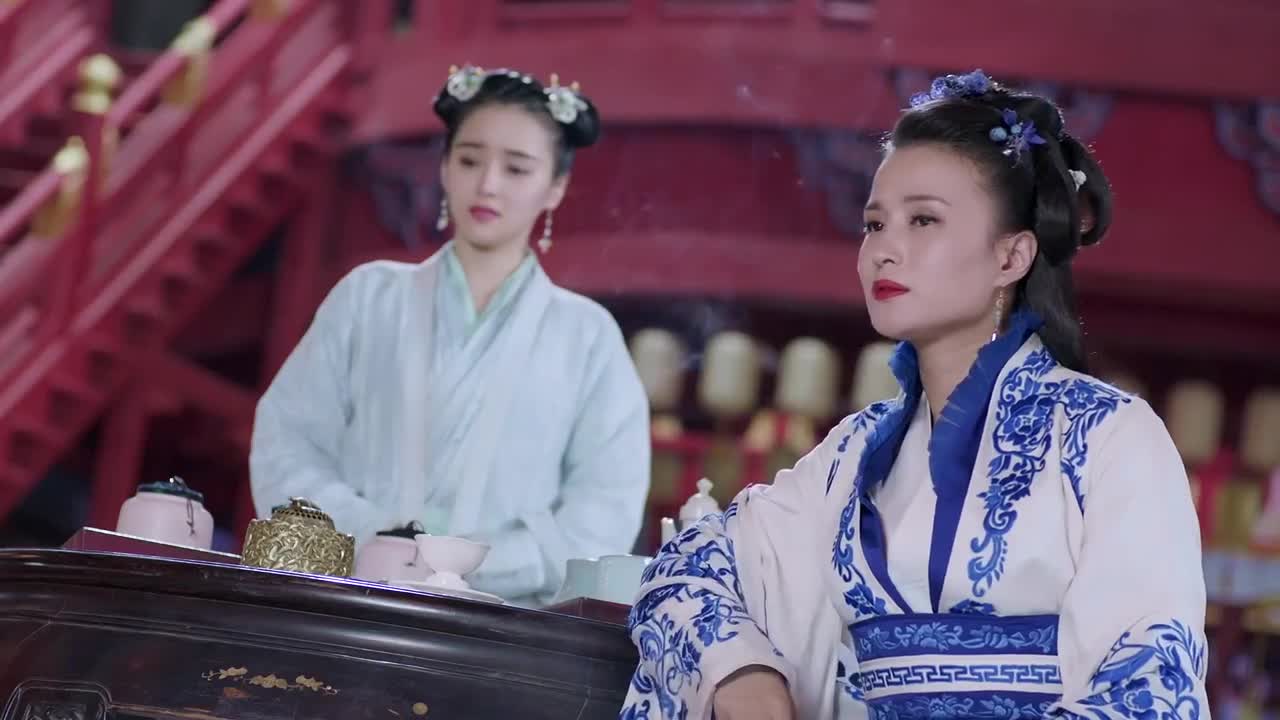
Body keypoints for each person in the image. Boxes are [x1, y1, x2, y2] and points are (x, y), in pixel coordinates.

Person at [621, 70, 1207, 719]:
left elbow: (1149, 681)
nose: (884, 250)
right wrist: (743, 673)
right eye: (875, 224)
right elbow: (687, 569)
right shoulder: (851, 457)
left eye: (923, 219)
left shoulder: (1108, 436)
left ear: (1011, 257)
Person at [250, 65, 652, 607]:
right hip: (350, 601)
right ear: (444, 167)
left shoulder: (587, 336)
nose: (488, 184)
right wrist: (378, 541)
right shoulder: (368, 296)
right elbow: (288, 442)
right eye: (469, 160)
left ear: (555, 188)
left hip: (503, 626)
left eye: (517, 168)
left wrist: (479, 562)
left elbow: (605, 507)